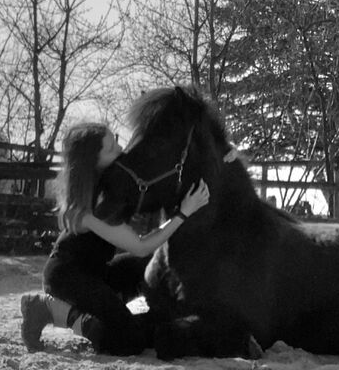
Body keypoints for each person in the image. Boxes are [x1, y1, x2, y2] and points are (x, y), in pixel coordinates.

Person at [20, 121, 220, 356]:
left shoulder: (106, 185)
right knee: (129, 342)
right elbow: (141, 246)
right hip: (67, 278)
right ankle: (53, 311)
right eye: (111, 149)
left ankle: (154, 315)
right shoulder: (89, 210)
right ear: (92, 161)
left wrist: (223, 151)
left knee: (150, 267)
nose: (121, 150)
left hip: (96, 271)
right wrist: (183, 213)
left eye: (116, 142)